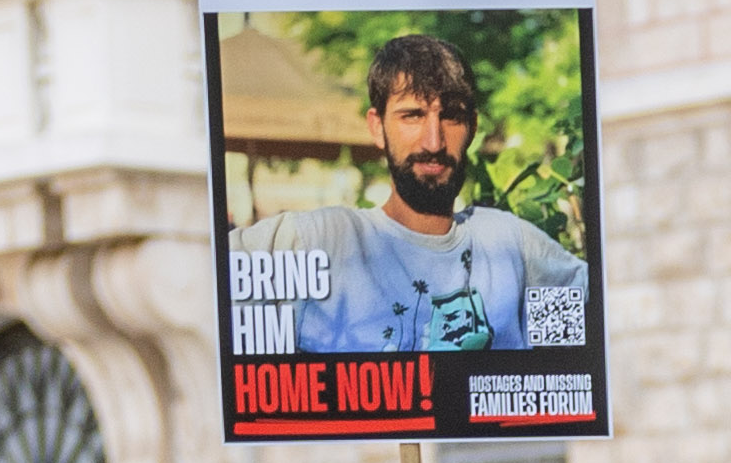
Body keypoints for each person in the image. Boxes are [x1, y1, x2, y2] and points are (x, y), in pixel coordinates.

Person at [231, 31, 589, 358]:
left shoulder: (512, 248)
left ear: (472, 128)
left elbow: (584, 354)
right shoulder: (321, 241)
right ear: (377, 127)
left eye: (450, 116)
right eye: (412, 116)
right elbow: (198, 279)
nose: (433, 142)